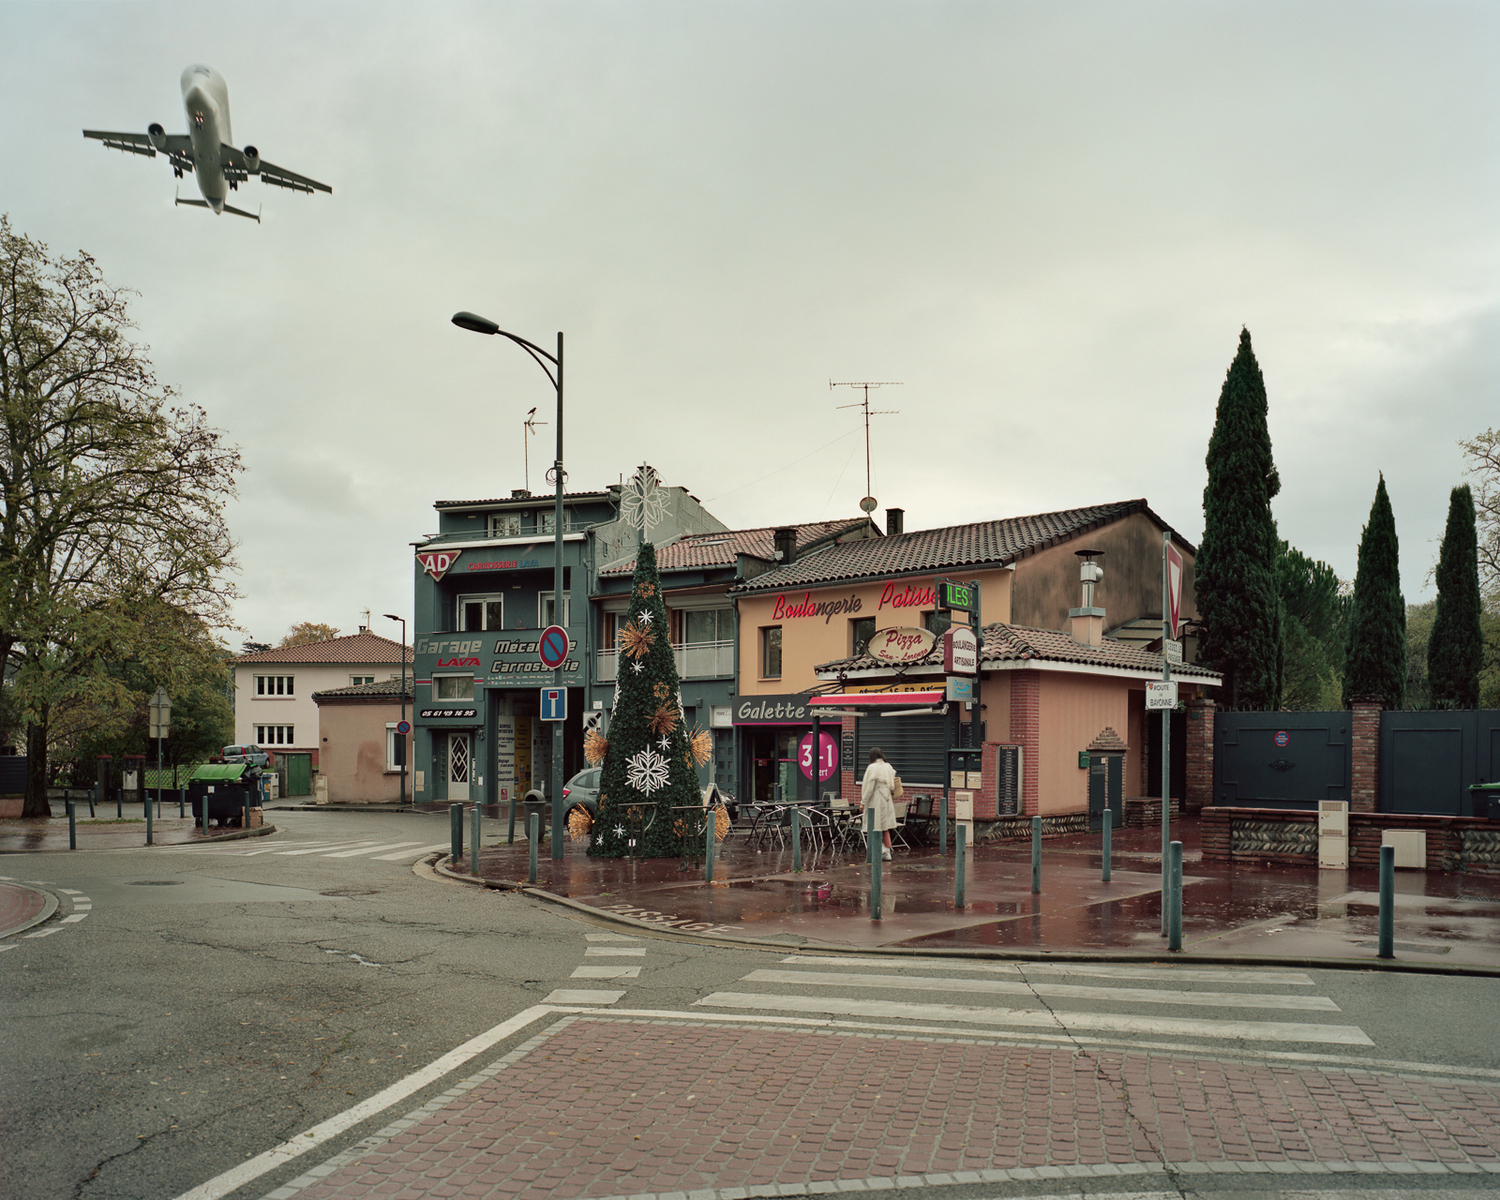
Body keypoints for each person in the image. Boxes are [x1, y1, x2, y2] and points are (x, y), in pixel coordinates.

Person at [859, 747, 898, 861]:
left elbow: (869, 788)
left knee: (874, 826)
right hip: (887, 799)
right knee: (885, 827)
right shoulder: (888, 766)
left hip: (876, 800)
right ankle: (887, 850)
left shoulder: (872, 768)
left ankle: (878, 851)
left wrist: (863, 802)